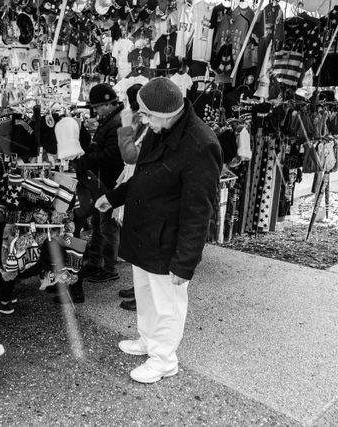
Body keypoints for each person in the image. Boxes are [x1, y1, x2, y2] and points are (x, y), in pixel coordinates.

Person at [95, 77, 222, 384]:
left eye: (146, 115)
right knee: (146, 293)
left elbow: (199, 211)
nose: (143, 121)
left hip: (169, 238)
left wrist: (185, 262)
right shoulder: (160, 128)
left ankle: (164, 359)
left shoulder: (201, 144)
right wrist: (113, 198)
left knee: (169, 303)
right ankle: (148, 341)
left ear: (164, 114)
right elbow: (143, 174)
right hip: (145, 231)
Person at [71, 83, 125, 284]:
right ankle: (95, 263)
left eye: (97, 107)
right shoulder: (111, 119)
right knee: (98, 222)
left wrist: (85, 160)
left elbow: (111, 154)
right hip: (104, 179)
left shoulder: (117, 122)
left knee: (107, 224)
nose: (95, 111)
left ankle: (109, 267)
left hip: (111, 180)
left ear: (108, 103)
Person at [114, 83, 146, 311]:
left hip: (141, 182)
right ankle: (138, 288)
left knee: (139, 238)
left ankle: (142, 293)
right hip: (136, 179)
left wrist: (126, 126)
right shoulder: (146, 123)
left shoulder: (148, 125)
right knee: (135, 237)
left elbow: (130, 154)